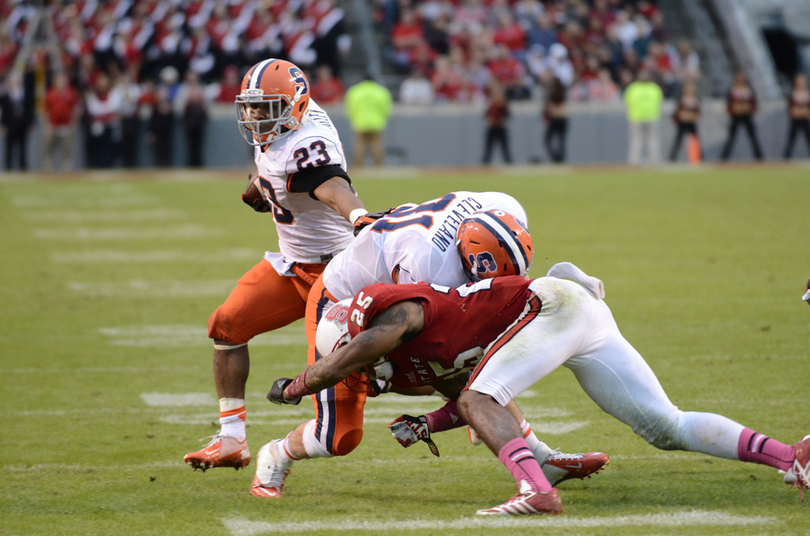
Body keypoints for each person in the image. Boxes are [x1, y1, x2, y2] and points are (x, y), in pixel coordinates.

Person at [272, 260, 810, 515]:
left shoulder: (390, 313)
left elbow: (387, 347)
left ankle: (536, 491)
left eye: (347, 353)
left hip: (551, 304)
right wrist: (427, 423)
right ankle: (792, 457)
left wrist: (303, 383)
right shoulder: (405, 361)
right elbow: (469, 406)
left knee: (483, 395)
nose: (356, 367)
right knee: (665, 426)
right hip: (574, 315)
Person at [252, 203, 609, 498]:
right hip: (341, 308)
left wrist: (432, 419)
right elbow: (412, 355)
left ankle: (539, 459)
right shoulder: (429, 272)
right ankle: (274, 454)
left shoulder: (502, 211)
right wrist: (294, 387)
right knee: (338, 436)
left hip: (396, 296)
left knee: (473, 373)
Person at [183, 58, 368, 473]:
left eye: (265, 109)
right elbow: (276, 163)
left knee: (341, 432)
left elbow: (333, 187)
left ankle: (478, 399)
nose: (254, 117)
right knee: (227, 324)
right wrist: (260, 187)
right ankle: (231, 440)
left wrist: (360, 217)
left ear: (295, 107)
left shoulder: (307, 142)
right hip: (292, 265)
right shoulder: (284, 120)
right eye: (251, 107)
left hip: (336, 276)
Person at [344, 74, 393, 167]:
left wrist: (354, 118)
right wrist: (383, 118)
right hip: (377, 122)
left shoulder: (354, 91)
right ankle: (378, 166)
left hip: (360, 121)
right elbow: (386, 108)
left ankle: (358, 166)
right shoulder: (381, 91)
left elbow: (350, 107)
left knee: (360, 146)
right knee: (377, 145)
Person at [720, 72, 764, 161]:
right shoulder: (732, 90)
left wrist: (747, 108)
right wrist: (734, 109)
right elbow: (728, 106)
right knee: (731, 138)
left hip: (747, 116)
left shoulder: (748, 91)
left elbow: (754, 105)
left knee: (753, 137)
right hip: (735, 117)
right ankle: (724, 158)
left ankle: (759, 157)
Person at [623, 68, 663, 165]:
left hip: (637, 116)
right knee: (651, 140)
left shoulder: (633, 88)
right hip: (651, 116)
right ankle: (655, 161)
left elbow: (627, 102)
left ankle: (634, 162)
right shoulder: (654, 88)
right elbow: (659, 101)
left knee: (637, 140)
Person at [42, 73, 81, 171]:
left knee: (67, 148)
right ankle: (48, 167)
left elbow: (76, 109)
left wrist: (73, 123)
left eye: (63, 80)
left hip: (66, 125)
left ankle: (67, 167)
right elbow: (45, 111)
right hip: (53, 125)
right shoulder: (50, 93)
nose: (61, 83)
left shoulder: (71, 93)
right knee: (49, 147)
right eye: (59, 80)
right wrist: (48, 125)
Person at [0, 70, 35, 171]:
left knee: (23, 149)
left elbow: (29, 110)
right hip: (10, 125)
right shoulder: (6, 96)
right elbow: (4, 112)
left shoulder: (26, 94)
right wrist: (3, 124)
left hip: (22, 124)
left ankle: (23, 169)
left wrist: (30, 123)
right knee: (9, 149)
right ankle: (8, 169)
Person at [668, 80, 700, 162]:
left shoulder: (695, 100)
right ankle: (672, 158)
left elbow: (697, 113)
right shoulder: (681, 99)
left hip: (691, 122)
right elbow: (677, 112)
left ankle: (700, 157)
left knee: (696, 139)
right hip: (682, 123)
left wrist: (693, 116)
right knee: (678, 140)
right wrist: (681, 116)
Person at [482, 83, 511, 165]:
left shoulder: (503, 105)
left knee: (505, 148)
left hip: (501, 128)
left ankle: (508, 164)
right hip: (492, 128)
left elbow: (507, 115)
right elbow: (486, 115)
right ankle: (485, 165)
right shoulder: (491, 105)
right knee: (488, 148)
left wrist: (502, 121)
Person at [783, 73, 810, 160]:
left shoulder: (807, 94)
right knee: (792, 138)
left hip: (805, 118)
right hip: (796, 118)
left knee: (808, 137)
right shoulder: (793, 93)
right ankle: (786, 157)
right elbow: (790, 108)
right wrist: (794, 112)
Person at [543, 77, 568, 164]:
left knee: (559, 141)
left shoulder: (558, 94)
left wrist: (551, 109)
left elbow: (558, 110)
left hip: (558, 120)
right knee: (558, 141)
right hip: (559, 120)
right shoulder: (553, 94)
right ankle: (557, 158)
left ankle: (559, 159)